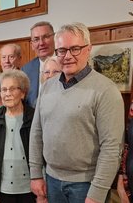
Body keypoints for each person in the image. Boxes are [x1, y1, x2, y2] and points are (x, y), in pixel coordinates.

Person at [29, 22, 125, 203]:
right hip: (51, 179)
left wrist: (97, 193)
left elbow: (112, 148)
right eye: (62, 50)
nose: (67, 56)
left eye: (75, 49)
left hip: (86, 184)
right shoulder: (48, 86)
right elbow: (36, 133)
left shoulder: (106, 90)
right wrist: (35, 174)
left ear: (88, 49)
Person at [0, 69, 36, 203]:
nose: (7, 94)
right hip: (3, 187)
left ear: (23, 93)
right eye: (4, 89)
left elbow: (41, 154)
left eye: (12, 89)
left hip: (30, 186)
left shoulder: (34, 118)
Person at [21, 21, 55, 108]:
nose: (41, 43)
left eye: (46, 37)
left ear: (54, 38)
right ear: (32, 45)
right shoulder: (26, 70)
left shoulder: (65, 64)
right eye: (36, 39)